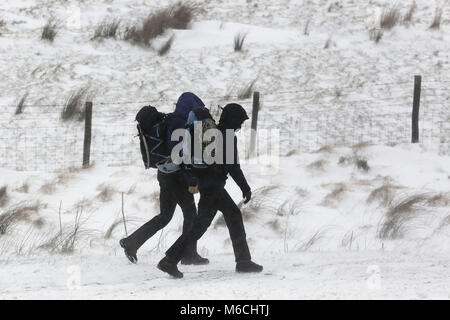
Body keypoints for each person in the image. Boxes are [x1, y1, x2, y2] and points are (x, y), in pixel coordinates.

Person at [156, 103, 263, 278]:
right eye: (240, 122)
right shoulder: (227, 137)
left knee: (232, 214)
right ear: (233, 120)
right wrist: (245, 187)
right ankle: (169, 259)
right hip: (213, 188)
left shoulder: (212, 133)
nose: (240, 126)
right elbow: (233, 167)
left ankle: (243, 261)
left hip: (209, 184)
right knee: (199, 227)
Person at [119, 92, 208, 265]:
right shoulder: (176, 123)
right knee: (190, 214)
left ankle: (131, 242)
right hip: (176, 176)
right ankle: (189, 254)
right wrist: (190, 176)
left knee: (165, 216)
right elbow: (181, 154)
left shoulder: (166, 123)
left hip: (164, 173)